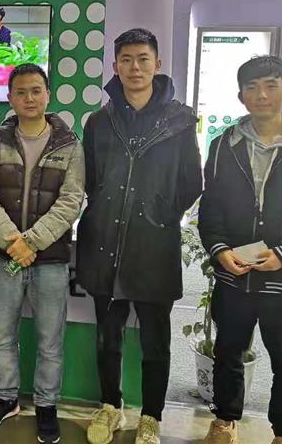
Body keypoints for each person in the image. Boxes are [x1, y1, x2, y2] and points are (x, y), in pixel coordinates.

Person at [77, 28, 202, 444]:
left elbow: (191, 182)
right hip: (104, 243)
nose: (135, 67)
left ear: (157, 64)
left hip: (154, 245)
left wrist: (159, 214)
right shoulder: (99, 121)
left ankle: (151, 416)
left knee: (155, 341)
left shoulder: (180, 122)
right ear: (115, 66)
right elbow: (89, 179)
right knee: (107, 337)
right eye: (126, 59)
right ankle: (109, 406)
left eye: (143, 59)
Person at [0, 63, 84, 444]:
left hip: (50, 258)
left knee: (50, 340)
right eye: (20, 92)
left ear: (48, 95)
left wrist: (32, 242)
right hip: (3, 254)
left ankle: (46, 405)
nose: (29, 98)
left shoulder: (70, 145)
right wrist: (13, 241)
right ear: (10, 98)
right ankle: (5, 398)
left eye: (36, 90)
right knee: (2, 336)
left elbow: (71, 200)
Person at [199, 56, 282, 444]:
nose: (261, 95)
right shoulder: (223, 146)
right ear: (240, 96)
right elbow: (210, 207)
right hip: (234, 273)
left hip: (280, 275)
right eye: (252, 87)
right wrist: (219, 250)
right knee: (228, 351)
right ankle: (225, 420)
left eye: (271, 85)